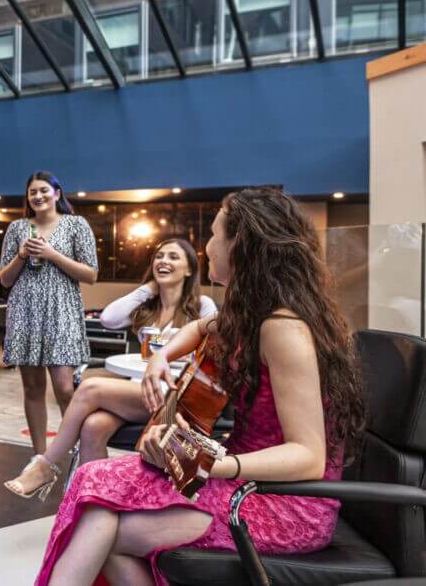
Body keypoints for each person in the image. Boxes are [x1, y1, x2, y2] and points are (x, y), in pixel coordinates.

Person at [36, 187, 366, 586]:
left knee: (100, 519)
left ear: (239, 246)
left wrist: (209, 464)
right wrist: (161, 357)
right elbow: (198, 328)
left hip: (283, 503)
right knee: (94, 481)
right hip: (243, 481)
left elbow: (308, 456)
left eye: (213, 234)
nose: (206, 246)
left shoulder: (283, 328)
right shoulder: (251, 315)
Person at [5, 238, 216, 499]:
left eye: (173, 257)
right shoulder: (148, 307)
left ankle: (45, 466)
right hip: (141, 393)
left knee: (90, 388)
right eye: (159, 256)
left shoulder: (202, 306)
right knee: (93, 427)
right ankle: (95, 503)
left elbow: (212, 358)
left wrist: (182, 355)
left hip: (177, 397)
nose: (164, 261)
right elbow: (108, 318)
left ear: (189, 269)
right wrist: (148, 289)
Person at [0, 171, 98, 460]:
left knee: (65, 388)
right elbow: (5, 279)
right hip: (25, 311)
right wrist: (21, 255)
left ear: (57, 194)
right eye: (33, 192)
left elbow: (91, 274)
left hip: (62, 310)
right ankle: (40, 459)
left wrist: (52, 254)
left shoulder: (76, 224)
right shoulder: (17, 228)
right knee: (32, 388)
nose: (38, 196)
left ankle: (78, 456)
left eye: (44, 190)